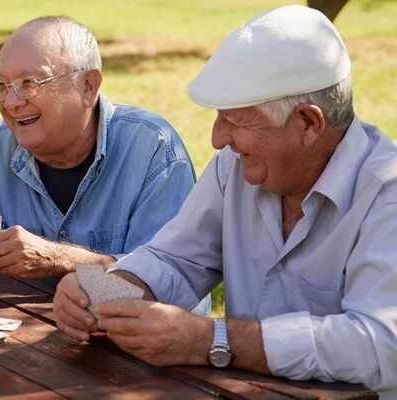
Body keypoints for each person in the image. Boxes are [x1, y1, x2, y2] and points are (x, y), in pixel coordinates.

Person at [53, 5, 397, 392]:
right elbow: (175, 258)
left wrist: (212, 340)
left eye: (235, 121)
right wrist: (104, 291)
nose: (217, 139)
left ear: (308, 123)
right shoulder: (234, 167)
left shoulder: (387, 194)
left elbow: (381, 344)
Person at [0, 17, 205, 307]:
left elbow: (170, 285)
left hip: (137, 357)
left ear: (88, 86)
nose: (11, 102)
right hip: (30, 354)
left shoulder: (152, 149)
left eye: (30, 82)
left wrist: (64, 260)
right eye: (2, 85)